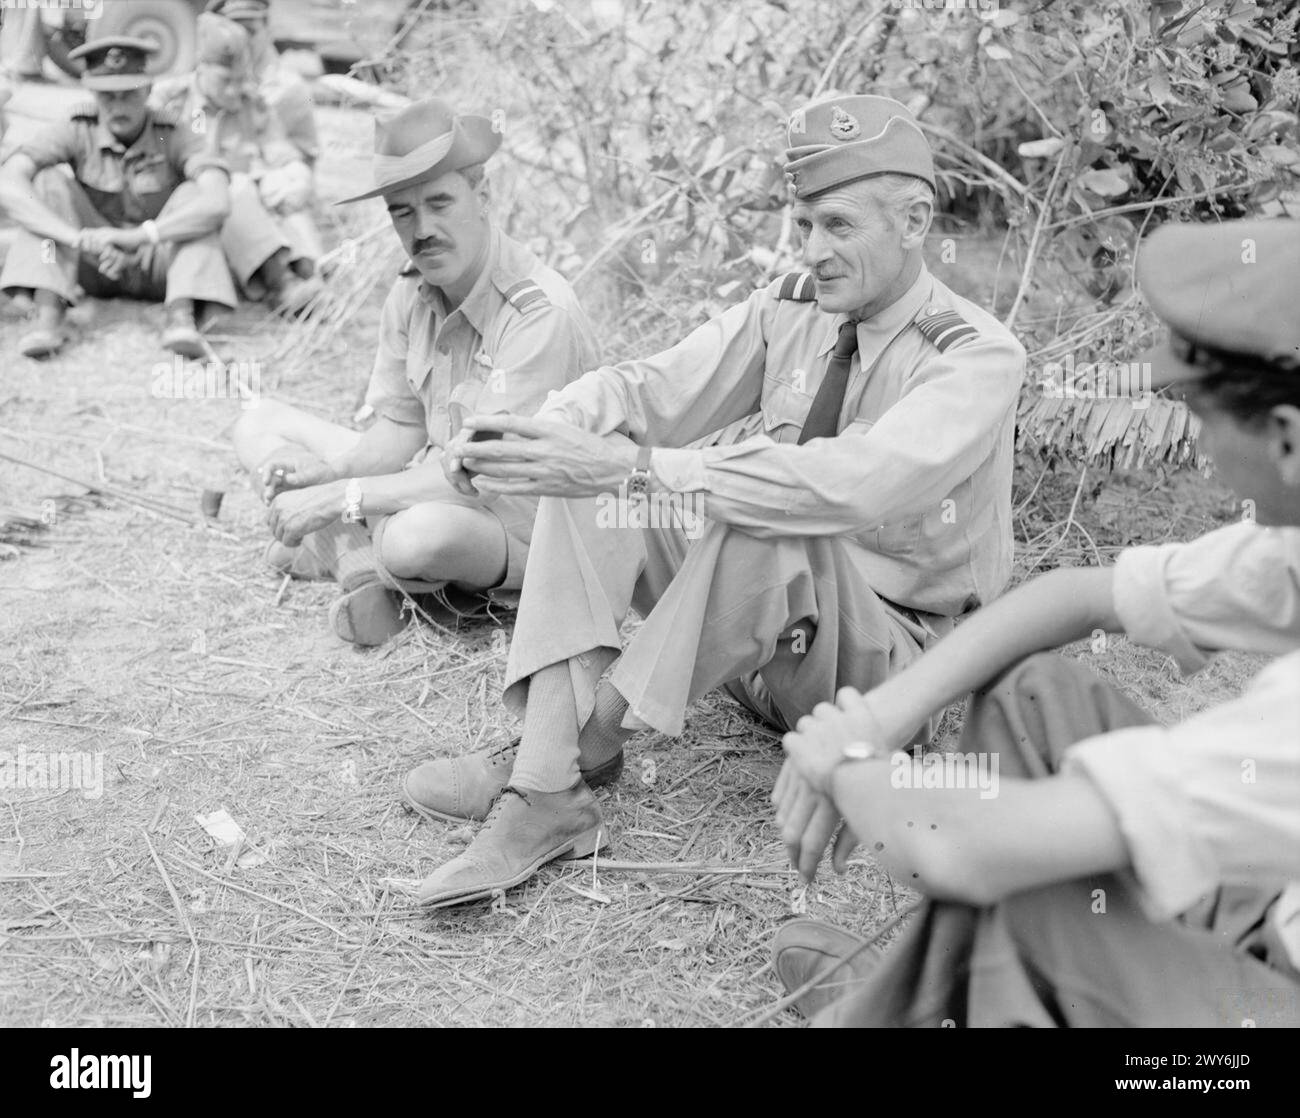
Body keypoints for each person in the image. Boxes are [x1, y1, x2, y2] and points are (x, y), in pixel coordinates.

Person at [410, 94, 1027, 908]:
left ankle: (582, 746)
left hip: (887, 669)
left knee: (750, 506)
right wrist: (536, 432)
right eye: (804, 225)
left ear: (915, 222)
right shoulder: (793, 306)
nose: (814, 249)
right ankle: (546, 777)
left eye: (839, 226)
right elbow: (652, 389)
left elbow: (847, 486)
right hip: (760, 651)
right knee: (588, 482)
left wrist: (630, 468)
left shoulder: (977, 357)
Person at [770, 216, 1300, 1027]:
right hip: (1269, 913)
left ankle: (892, 1012)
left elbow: (968, 849)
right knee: (1034, 693)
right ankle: (937, 1001)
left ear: (1288, 440)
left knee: (1033, 890)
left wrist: (844, 767)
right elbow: (1076, 598)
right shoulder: (1287, 548)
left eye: (1202, 415)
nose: (1195, 440)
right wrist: (880, 714)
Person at [231, 98, 599, 646]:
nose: (422, 229)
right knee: (258, 423)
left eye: (440, 202)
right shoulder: (412, 292)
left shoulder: (538, 313)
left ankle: (357, 555)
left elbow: (479, 476)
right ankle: (367, 567)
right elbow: (401, 429)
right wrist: (330, 475)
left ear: (483, 196)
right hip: (430, 480)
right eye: (403, 211)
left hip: (521, 524)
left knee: (416, 539)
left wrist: (340, 499)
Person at [0, 36, 236, 359]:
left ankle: (182, 318)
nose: (118, 106)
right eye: (107, 97)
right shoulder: (76, 128)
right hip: (93, 262)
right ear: (92, 93)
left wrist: (137, 236)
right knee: (46, 181)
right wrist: (77, 238)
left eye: (129, 95)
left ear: (149, 91)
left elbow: (217, 201)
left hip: (156, 262)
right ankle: (48, 315)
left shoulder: (173, 132)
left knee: (195, 194)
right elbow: (8, 182)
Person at [151, 12, 321, 313]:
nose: (234, 90)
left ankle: (311, 278)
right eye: (225, 81)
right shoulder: (170, 101)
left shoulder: (250, 105)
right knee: (231, 186)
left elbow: (280, 152)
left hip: (241, 229)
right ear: (201, 69)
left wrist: (294, 175)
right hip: (183, 224)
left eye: (240, 79)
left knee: (283, 194)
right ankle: (280, 284)